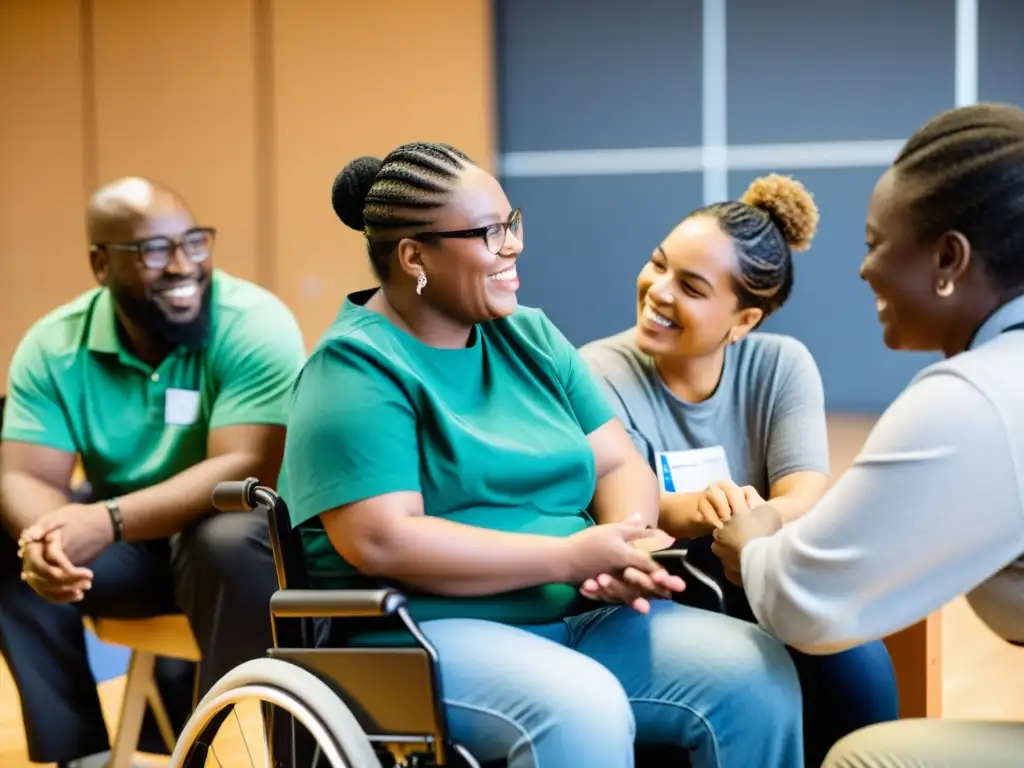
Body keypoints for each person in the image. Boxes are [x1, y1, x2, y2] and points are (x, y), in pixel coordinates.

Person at [278, 142, 805, 768]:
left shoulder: (528, 334)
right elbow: (383, 540)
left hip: (579, 613)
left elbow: (617, 464)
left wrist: (623, 542)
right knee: (582, 709)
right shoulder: (354, 367)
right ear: (414, 256)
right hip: (420, 634)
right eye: (487, 233)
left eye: (512, 222)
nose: (513, 245)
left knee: (754, 674)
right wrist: (568, 557)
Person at [709, 102, 1024, 767]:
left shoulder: (976, 397)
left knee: (868, 757)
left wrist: (752, 543)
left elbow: (805, 603)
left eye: (875, 242)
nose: (862, 270)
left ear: (948, 257)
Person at [579, 174, 899, 764]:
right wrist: (704, 510)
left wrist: (754, 519)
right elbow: (626, 511)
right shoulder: (596, 371)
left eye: (692, 287)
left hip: (760, 569)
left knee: (859, 665)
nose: (659, 291)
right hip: (662, 590)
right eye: (658, 264)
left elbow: (805, 488)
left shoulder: (781, 365)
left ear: (744, 321)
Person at [0, 177, 307, 768]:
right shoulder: (55, 343)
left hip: (225, 542)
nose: (183, 265)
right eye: (154, 250)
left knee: (232, 536)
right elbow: (25, 475)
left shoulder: (253, 322)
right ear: (99, 263)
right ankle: (80, 752)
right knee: (12, 539)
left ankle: (213, 747)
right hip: (129, 549)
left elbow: (246, 465)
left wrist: (107, 521)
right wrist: (51, 539)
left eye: (194, 242)